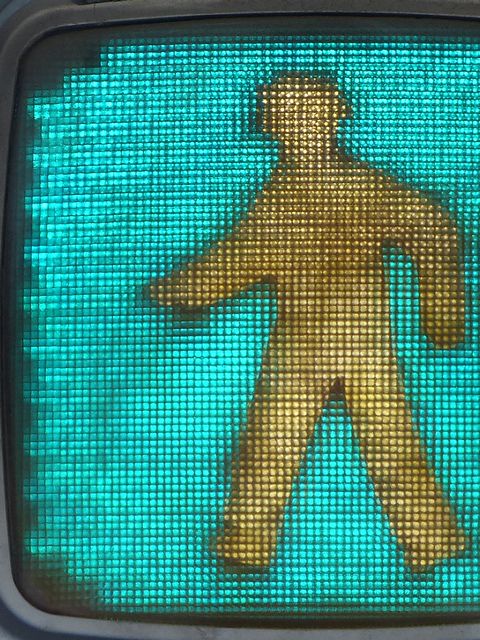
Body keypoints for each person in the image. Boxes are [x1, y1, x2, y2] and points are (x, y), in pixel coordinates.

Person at [150, 74, 466, 572]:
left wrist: (443, 311)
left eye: (308, 117)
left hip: (362, 344)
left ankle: (433, 542)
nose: (298, 128)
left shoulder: (364, 187)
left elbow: (433, 227)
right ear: (272, 127)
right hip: (299, 347)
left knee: (391, 444)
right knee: (270, 444)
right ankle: (247, 544)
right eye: (286, 119)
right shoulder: (277, 199)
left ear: (333, 118)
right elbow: (239, 257)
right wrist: (186, 289)